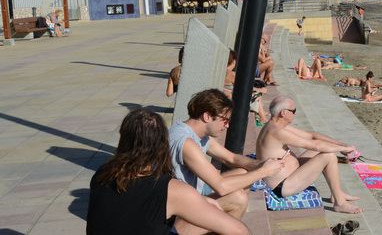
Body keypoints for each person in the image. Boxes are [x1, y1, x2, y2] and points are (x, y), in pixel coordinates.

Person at [87, 109, 249, 235]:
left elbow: (133, 209)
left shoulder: (103, 173)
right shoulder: (170, 189)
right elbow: (238, 231)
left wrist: (200, 202)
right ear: (162, 144)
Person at [168, 89, 285, 234]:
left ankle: (218, 227)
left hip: (193, 194)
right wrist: (264, 171)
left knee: (244, 173)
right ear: (207, 116)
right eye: (225, 120)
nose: (227, 125)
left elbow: (231, 158)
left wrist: (260, 164)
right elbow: (221, 187)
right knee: (238, 199)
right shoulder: (186, 143)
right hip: (177, 214)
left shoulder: (197, 133)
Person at [256, 96, 364, 214]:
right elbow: (315, 145)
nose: (295, 114)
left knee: (324, 152)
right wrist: (345, 148)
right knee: (328, 156)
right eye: (294, 111)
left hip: (288, 176)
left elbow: (311, 136)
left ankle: (337, 193)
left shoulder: (275, 125)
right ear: (284, 113)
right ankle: (340, 203)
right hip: (282, 186)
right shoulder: (277, 131)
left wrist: (341, 145)